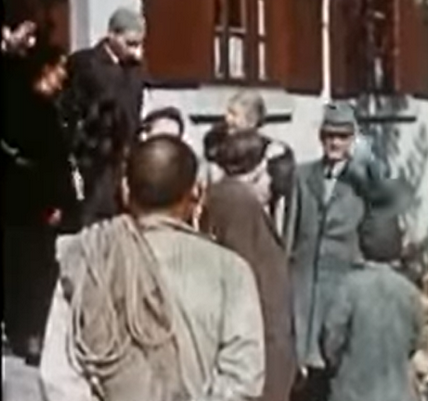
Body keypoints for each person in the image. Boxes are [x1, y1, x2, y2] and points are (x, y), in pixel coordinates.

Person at [40, 136, 265, 401]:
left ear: (125, 190)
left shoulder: (89, 258)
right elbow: (243, 378)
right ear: (196, 192)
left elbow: (59, 377)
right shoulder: (232, 272)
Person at [287, 102, 390, 381]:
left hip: (343, 278)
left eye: (342, 137)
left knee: (336, 358)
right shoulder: (302, 175)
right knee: (303, 361)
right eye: (329, 136)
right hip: (305, 280)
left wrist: (366, 165)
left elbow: (383, 205)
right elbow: (290, 228)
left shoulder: (361, 180)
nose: (334, 143)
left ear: (351, 140)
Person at [201, 129, 297, 401]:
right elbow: (248, 279)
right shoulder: (238, 206)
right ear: (256, 170)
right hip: (260, 346)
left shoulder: (228, 199)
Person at [2, 38, 77, 364]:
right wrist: (56, 202)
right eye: (59, 68)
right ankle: (27, 333)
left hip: (33, 203)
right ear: (44, 70)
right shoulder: (29, 109)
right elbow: (45, 163)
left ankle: (26, 330)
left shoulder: (51, 107)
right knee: (28, 270)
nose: (63, 76)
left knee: (32, 268)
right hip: (29, 204)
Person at [320, 204, 424, 401]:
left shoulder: (349, 287)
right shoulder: (409, 292)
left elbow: (331, 340)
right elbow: (415, 341)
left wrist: (340, 368)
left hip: (352, 392)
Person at [63, 7, 147, 225]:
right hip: (93, 157)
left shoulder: (134, 69)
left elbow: (133, 109)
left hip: (125, 156)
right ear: (112, 35)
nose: (137, 52)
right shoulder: (85, 64)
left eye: (140, 44)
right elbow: (69, 109)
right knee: (92, 217)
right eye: (130, 44)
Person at [204, 90, 296, 233]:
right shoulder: (216, 150)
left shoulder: (273, 153)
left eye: (234, 114)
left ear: (251, 121)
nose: (227, 119)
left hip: (257, 228)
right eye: (227, 112)